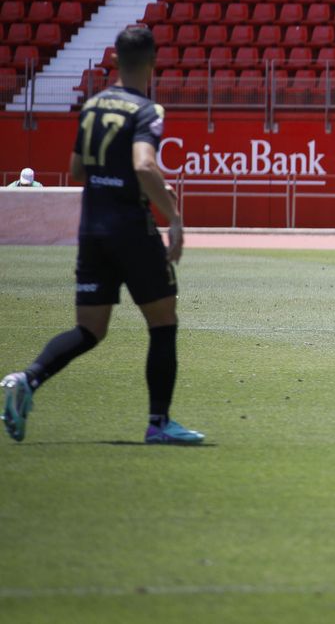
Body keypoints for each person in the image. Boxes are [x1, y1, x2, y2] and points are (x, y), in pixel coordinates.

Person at [1, 25, 203, 445]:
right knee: (163, 321)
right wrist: (175, 219)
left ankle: (27, 379)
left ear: (114, 61)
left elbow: (77, 169)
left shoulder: (92, 105)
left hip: (91, 228)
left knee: (90, 329)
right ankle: (159, 423)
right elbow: (145, 166)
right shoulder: (147, 110)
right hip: (130, 227)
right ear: (152, 63)